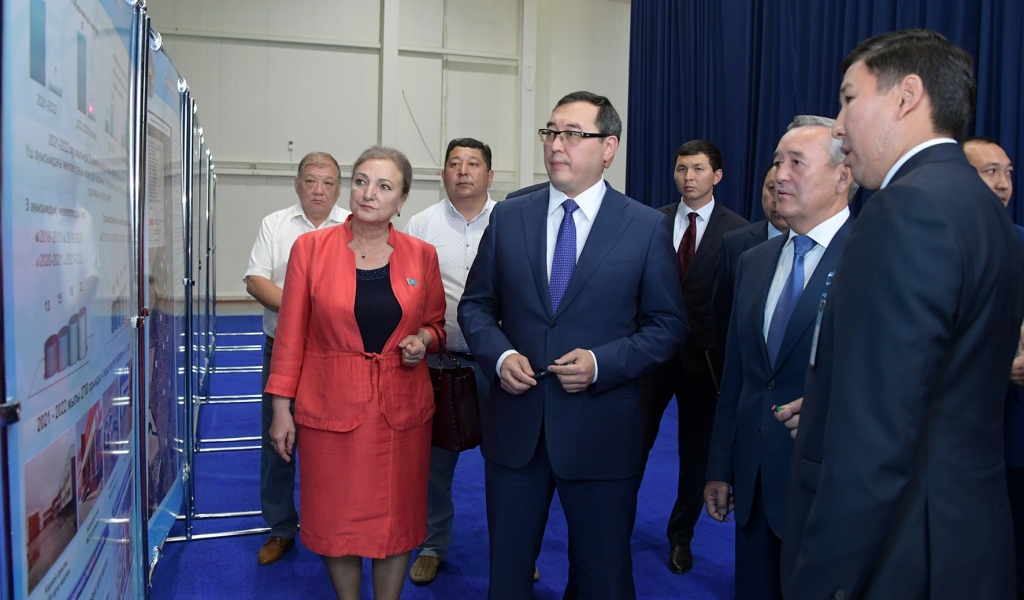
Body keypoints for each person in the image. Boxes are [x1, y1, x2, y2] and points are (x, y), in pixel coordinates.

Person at [775, 29, 1024, 599]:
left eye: (849, 99)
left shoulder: (905, 209)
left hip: (901, 553)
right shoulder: (985, 210)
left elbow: (876, 437)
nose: (840, 126)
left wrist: (822, 581)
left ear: (907, 96)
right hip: (967, 542)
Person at [458, 91, 689, 600]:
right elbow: (475, 305)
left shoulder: (645, 226)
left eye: (573, 134)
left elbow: (668, 325)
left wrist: (602, 363)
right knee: (507, 578)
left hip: (601, 433)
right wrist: (500, 355)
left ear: (609, 148)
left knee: (604, 578)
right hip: (516, 431)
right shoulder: (511, 216)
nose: (556, 144)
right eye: (551, 132)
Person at [264, 146, 446, 600]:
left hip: (401, 414)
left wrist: (422, 341)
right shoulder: (311, 249)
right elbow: (290, 335)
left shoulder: (422, 255)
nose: (369, 193)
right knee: (336, 520)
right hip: (330, 410)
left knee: (396, 521)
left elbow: (436, 325)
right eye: (362, 181)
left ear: (401, 200)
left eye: (384, 186)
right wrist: (281, 408)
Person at [704, 116, 856, 600]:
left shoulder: (872, 258)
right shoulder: (753, 262)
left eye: (796, 163)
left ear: (843, 176)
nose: (779, 175)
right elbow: (737, 376)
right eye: (776, 162)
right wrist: (720, 466)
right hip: (753, 483)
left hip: (831, 491)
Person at [639, 139, 747, 575]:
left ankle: (681, 537)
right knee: (633, 446)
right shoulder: (651, 222)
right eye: (682, 168)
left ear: (716, 175)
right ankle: (613, 523)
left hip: (705, 364)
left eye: (698, 169)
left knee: (695, 457)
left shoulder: (738, 232)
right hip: (651, 358)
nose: (688, 177)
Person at [243, 151, 350, 565]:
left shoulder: (354, 225)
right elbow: (256, 280)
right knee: (278, 443)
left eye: (328, 182)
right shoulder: (276, 224)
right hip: (282, 349)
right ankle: (281, 527)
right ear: (297, 184)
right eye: (311, 181)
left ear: (338, 189)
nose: (318, 190)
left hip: (336, 354)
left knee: (337, 442)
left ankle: (336, 526)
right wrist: (303, 309)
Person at [404, 138, 495, 585]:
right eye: (455, 163)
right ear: (443, 174)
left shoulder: (512, 220)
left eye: (473, 163)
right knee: (434, 466)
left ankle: (514, 548)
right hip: (439, 363)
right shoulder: (421, 224)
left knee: (509, 465)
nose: (463, 170)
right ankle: (433, 545)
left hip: (500, 366)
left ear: (489, 176)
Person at [964, 135, 1024, 599]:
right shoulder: (937, 244)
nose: (1003, 184)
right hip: (955, 436)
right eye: (990, 172)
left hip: (1014, 433)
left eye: (1008, 173)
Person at [711, 164, 789, 350]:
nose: (777, 198)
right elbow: (722, 318)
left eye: (785, 190)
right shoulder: (735, 243)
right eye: (771, 188)